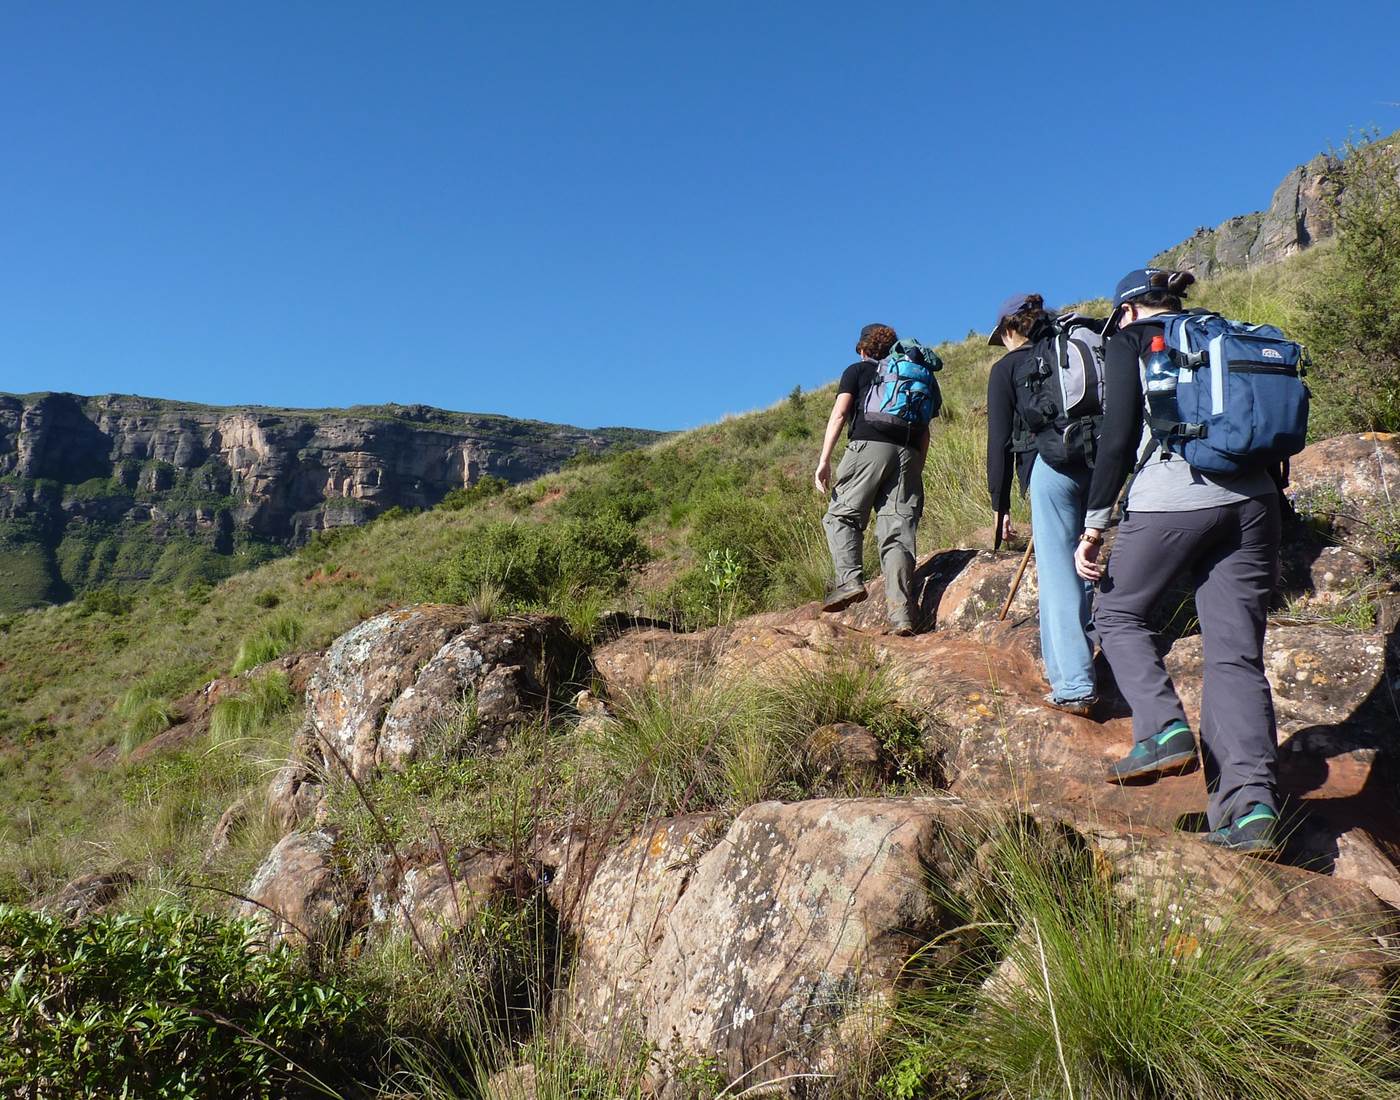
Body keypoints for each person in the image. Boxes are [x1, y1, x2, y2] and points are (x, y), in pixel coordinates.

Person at [1075, 268, 1283, 855]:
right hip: (1257, 501)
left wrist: (1094, 525)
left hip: (1173, 499)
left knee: (1116, 612)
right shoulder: (1221, 332)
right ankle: (1251, 814)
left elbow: (1117, 438)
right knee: (1236, 656)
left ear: (1129, 311)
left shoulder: (1130, 341)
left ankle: (1163, 727)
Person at [986, 293, 1098, 717]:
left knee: (1059, 576)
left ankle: (1074, 684)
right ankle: (1095, 657)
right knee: (1088, 560)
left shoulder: (1007, 368)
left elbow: (999, 441)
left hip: (1051, 470)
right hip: (1103, 462)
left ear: (1010, 329)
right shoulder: (1070, 353)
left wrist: (1000, 502)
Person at [814, 323, 928, 636]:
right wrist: (917, 465)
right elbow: (926, 429)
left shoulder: (857, 371)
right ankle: (902, 617)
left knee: (841, 516)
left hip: (867, 448)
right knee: (898, 534)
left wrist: (824, 460)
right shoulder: (913, 374)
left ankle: (850, 581)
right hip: (909, 453)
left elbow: (839, 414)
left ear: (864, 349)